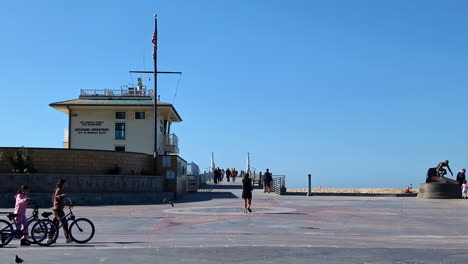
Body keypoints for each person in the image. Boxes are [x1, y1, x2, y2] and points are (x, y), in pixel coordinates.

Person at [50, 179, 72, 243]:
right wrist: (61, 195)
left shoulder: (58, 189)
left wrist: (65, 203)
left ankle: (50, 238)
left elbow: (56, 200)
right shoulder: (59, 189)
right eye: (65, 183)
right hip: (58, 210)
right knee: (65, 223)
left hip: (56, 208)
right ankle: (67, 238)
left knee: (55, 224)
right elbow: (56, 197)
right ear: (63, 183)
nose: (66, 184)